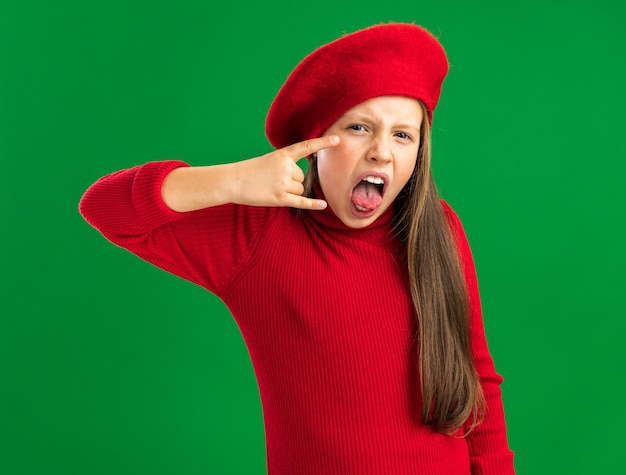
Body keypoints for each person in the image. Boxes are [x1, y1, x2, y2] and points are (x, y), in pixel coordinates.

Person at [80, 22, 515, 474]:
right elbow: (104, 207)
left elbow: (477, 379)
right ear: (314, 142)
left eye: (402, 135)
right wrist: (230, 180)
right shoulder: (257, 234)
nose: (381, 153)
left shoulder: (439, 229)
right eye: (360, 127)